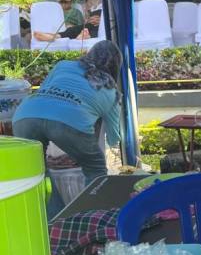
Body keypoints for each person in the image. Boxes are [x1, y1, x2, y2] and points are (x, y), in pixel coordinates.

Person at [12, 41, 122, 218]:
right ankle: (90, 218)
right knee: (96, 169)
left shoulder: (63, 65)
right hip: (70, 122)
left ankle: (55, 220)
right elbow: (114, 138)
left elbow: (46, 90)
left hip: (25, 115)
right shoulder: (111, 91)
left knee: (37, 170)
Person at [33, 0, 102, 43]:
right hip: (67, 29)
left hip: (100, 23)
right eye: (61, 2)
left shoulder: (75, 12)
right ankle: (55, 36)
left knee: (90, 26)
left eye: (65, 2)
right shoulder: (56, 11)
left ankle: (88, 36)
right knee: (76, 29)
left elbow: (81, 22)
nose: (63, 4)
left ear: (70, 2)